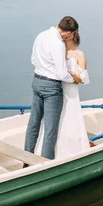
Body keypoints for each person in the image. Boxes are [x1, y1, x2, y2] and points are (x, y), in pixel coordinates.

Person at [24, 17, 83, 160]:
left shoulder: (41, 35)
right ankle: (46, 163)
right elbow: (61, 73)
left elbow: (33, 59)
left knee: (34, 122)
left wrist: (44, 67)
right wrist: (74, 80)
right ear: (68, 34)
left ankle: (26, 156)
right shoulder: (57, 44)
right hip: (51, 87)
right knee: (51, 128)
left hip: (36, 82)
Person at [34, 30, 90, 159]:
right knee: (53, 123)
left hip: (71, 93)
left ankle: (72, 152)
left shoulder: (79, 54)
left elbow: (83, 79)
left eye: (65, 38)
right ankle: (49, 153)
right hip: (56, 92)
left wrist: (70, 73)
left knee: (70, 120)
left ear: (71, 37)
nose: (62, 39)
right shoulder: (59, 52)